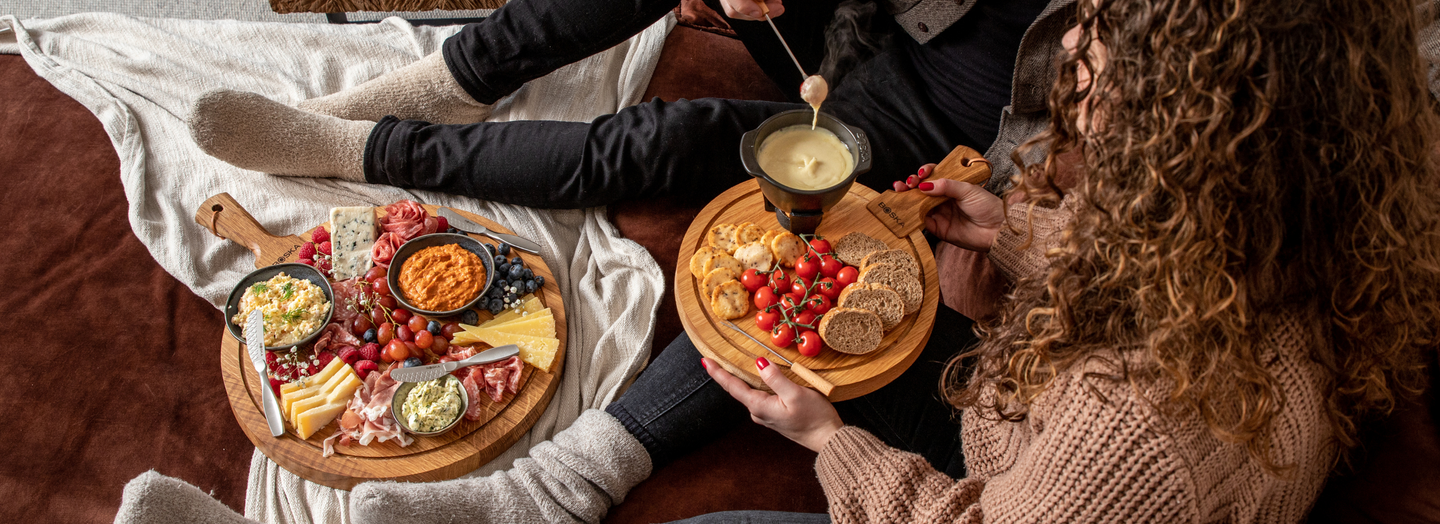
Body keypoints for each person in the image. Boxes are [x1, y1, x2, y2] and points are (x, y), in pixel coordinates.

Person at [347, 0, 1439, 522]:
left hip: (1026, 478)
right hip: (1049, 422)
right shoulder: (1274, 239)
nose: (1072, 64)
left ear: (1175, 135)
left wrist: (830, 441)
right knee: (835, 287)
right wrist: (1017, 249)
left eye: (1096, 58)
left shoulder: (1135, 445)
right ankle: (554, 484)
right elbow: (1155, 288)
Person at [187, 0, 1068, 207]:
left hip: (914, 132)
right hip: (861, 33)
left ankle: (362, 149)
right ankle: (446, 84)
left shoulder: (1166, 41)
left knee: (658, 141)